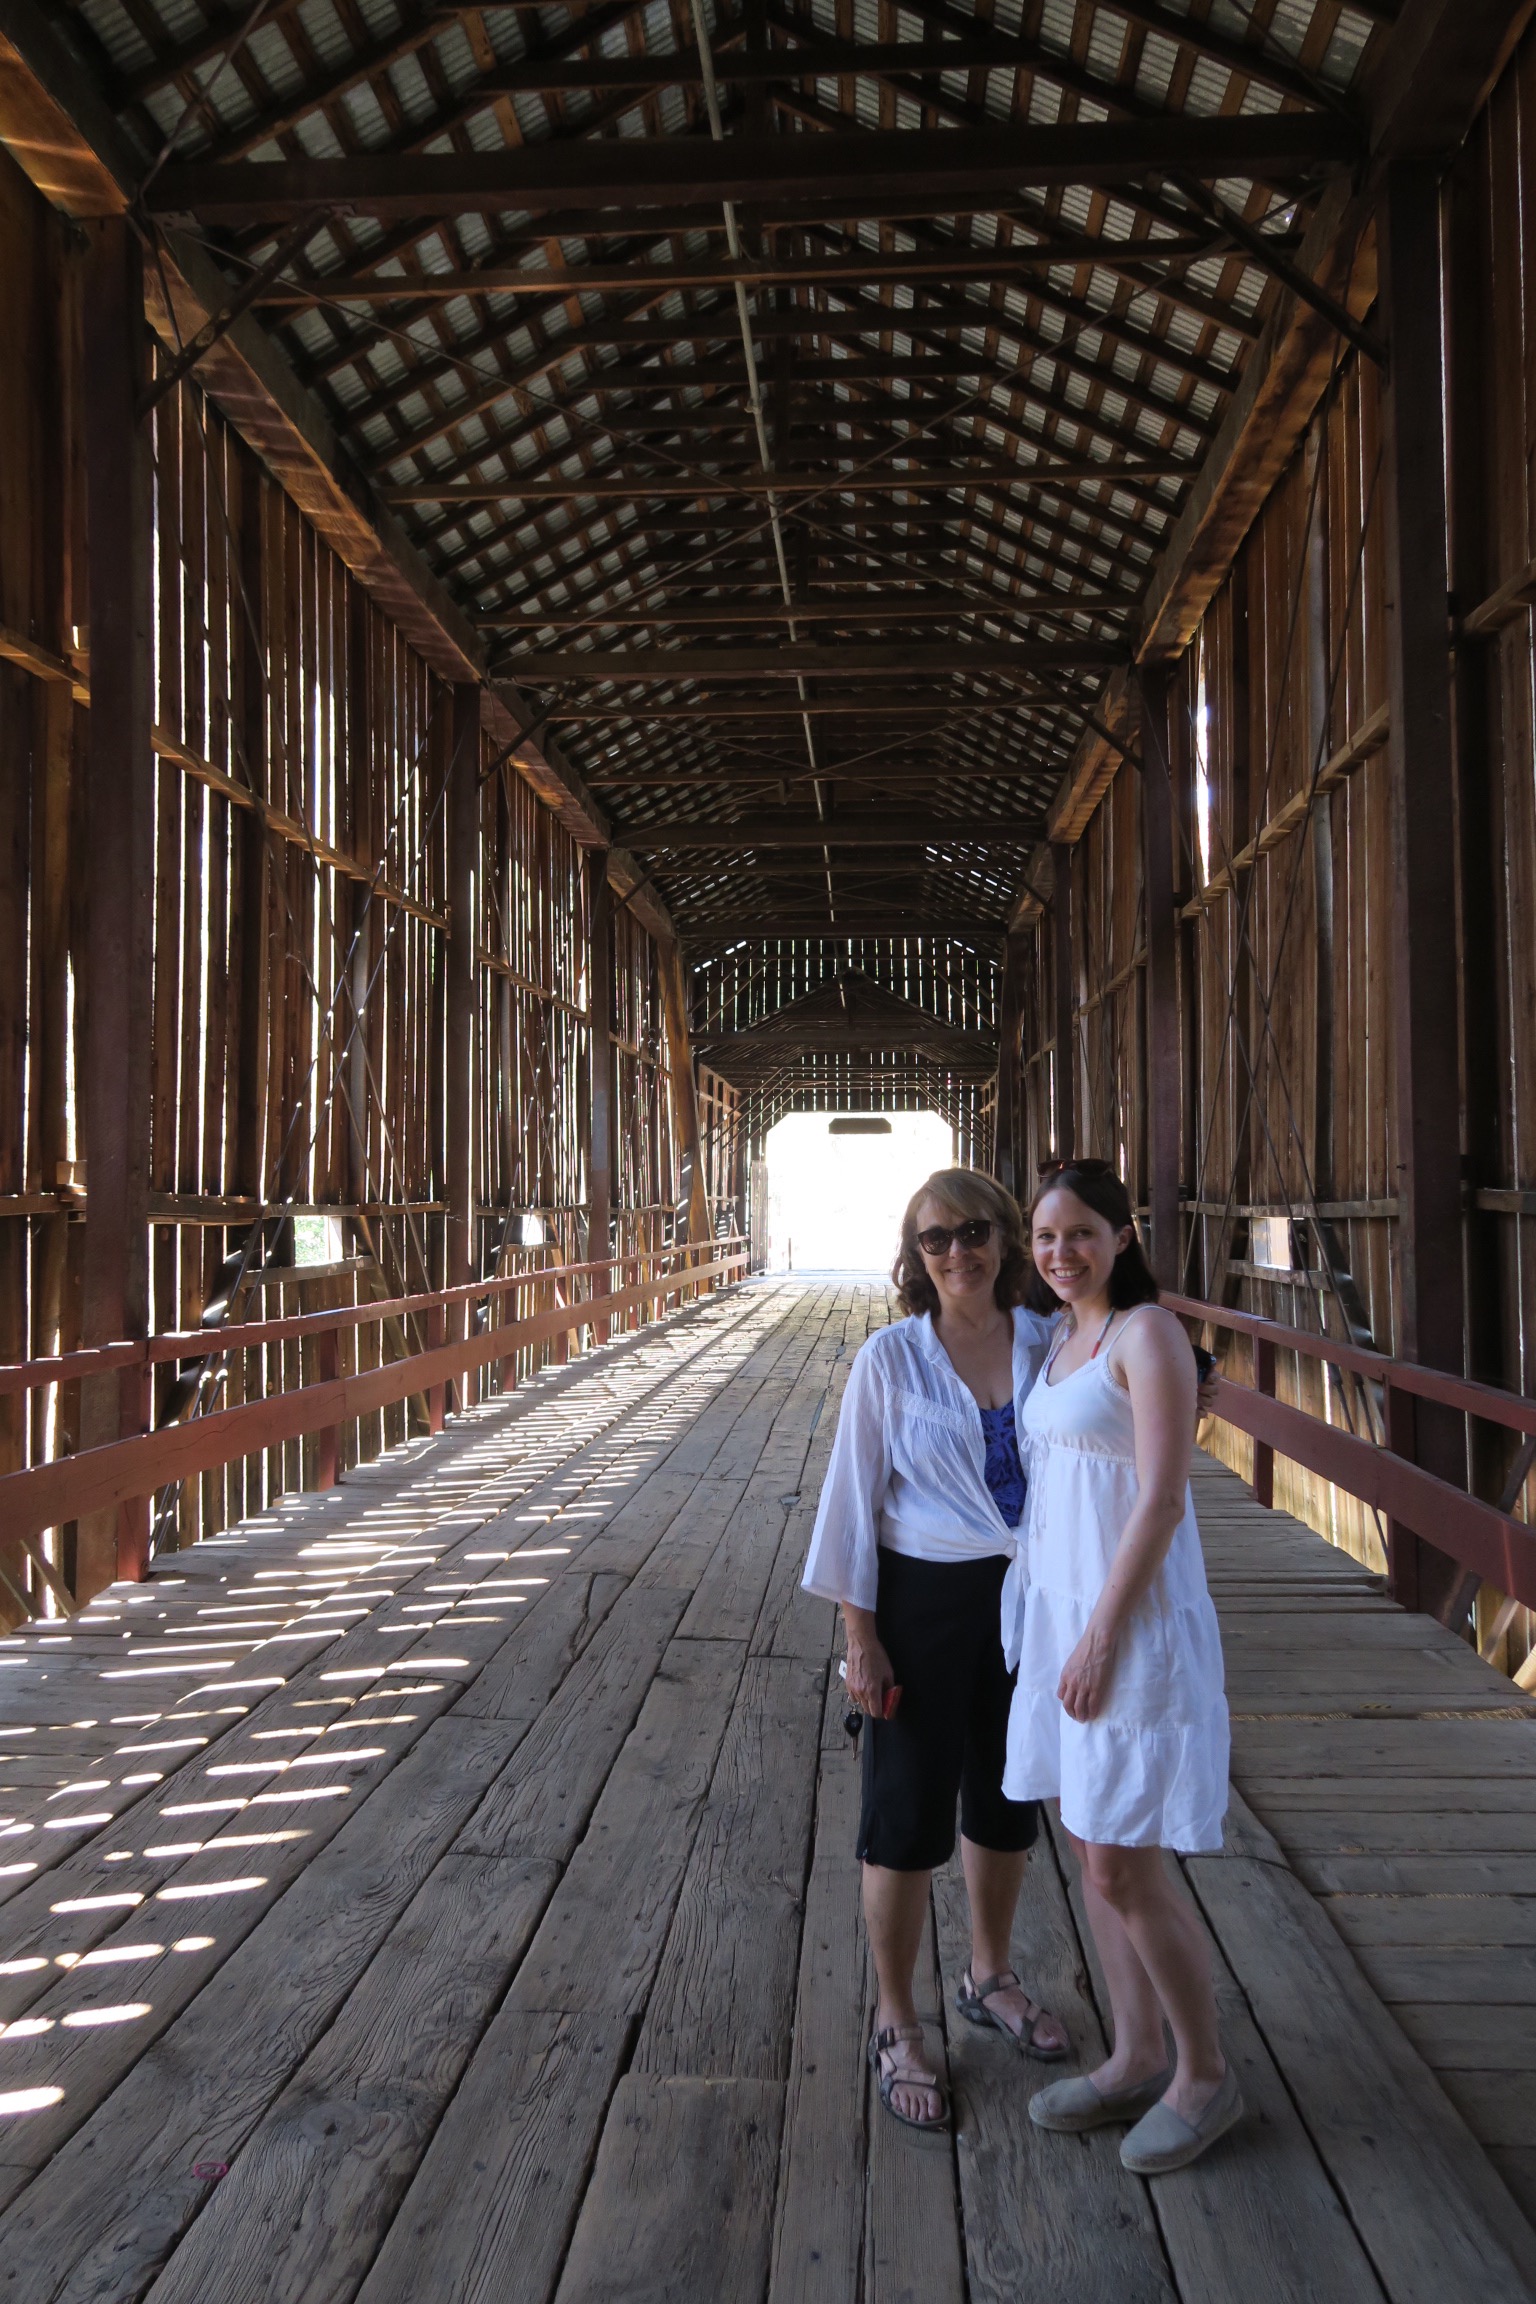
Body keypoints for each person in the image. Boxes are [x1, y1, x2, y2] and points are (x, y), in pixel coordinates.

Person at [801, 1168, 1069, 2131]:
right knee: (905, 1815)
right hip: (921, 1603)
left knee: (1005, 1798)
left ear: (1005, 1237)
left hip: (1028, 1599)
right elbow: (851, 1501)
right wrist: (861, 1638)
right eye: (935, 1239)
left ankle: (989, 1975)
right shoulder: (891, 1360)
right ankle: (897, 2019)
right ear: (915, 1257)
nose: (958, 1252)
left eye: (974, 1231)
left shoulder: (1053, 1341)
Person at [1007, 1158, 1239, 2174]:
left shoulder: (1147, 1335)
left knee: (1119, 1861)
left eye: (1081, 1234)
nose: (1061, 1252)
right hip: (1062, 1612)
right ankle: (1137, 2056)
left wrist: (1102, 1635)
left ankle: (1206, 2075)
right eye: (1045, 1237)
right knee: (1087, 1834)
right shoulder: (1062, 1335)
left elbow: (1161, 1498)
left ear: (1122, 1236)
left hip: (1129, 1621)